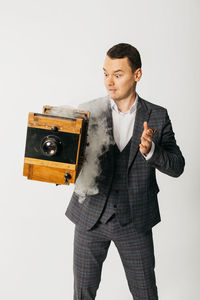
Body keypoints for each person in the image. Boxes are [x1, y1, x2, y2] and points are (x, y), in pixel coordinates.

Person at [65, 43, 185, 300]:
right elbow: (70, 161)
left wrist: (152, 151)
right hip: (90, 218)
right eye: (105, 73)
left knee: (145, 294)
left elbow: (178, 166)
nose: (109, 81)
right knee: (82, 294)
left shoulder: (157, 116)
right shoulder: (87, 111)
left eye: (117, 74)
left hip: (135, 220)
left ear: (137, 75)